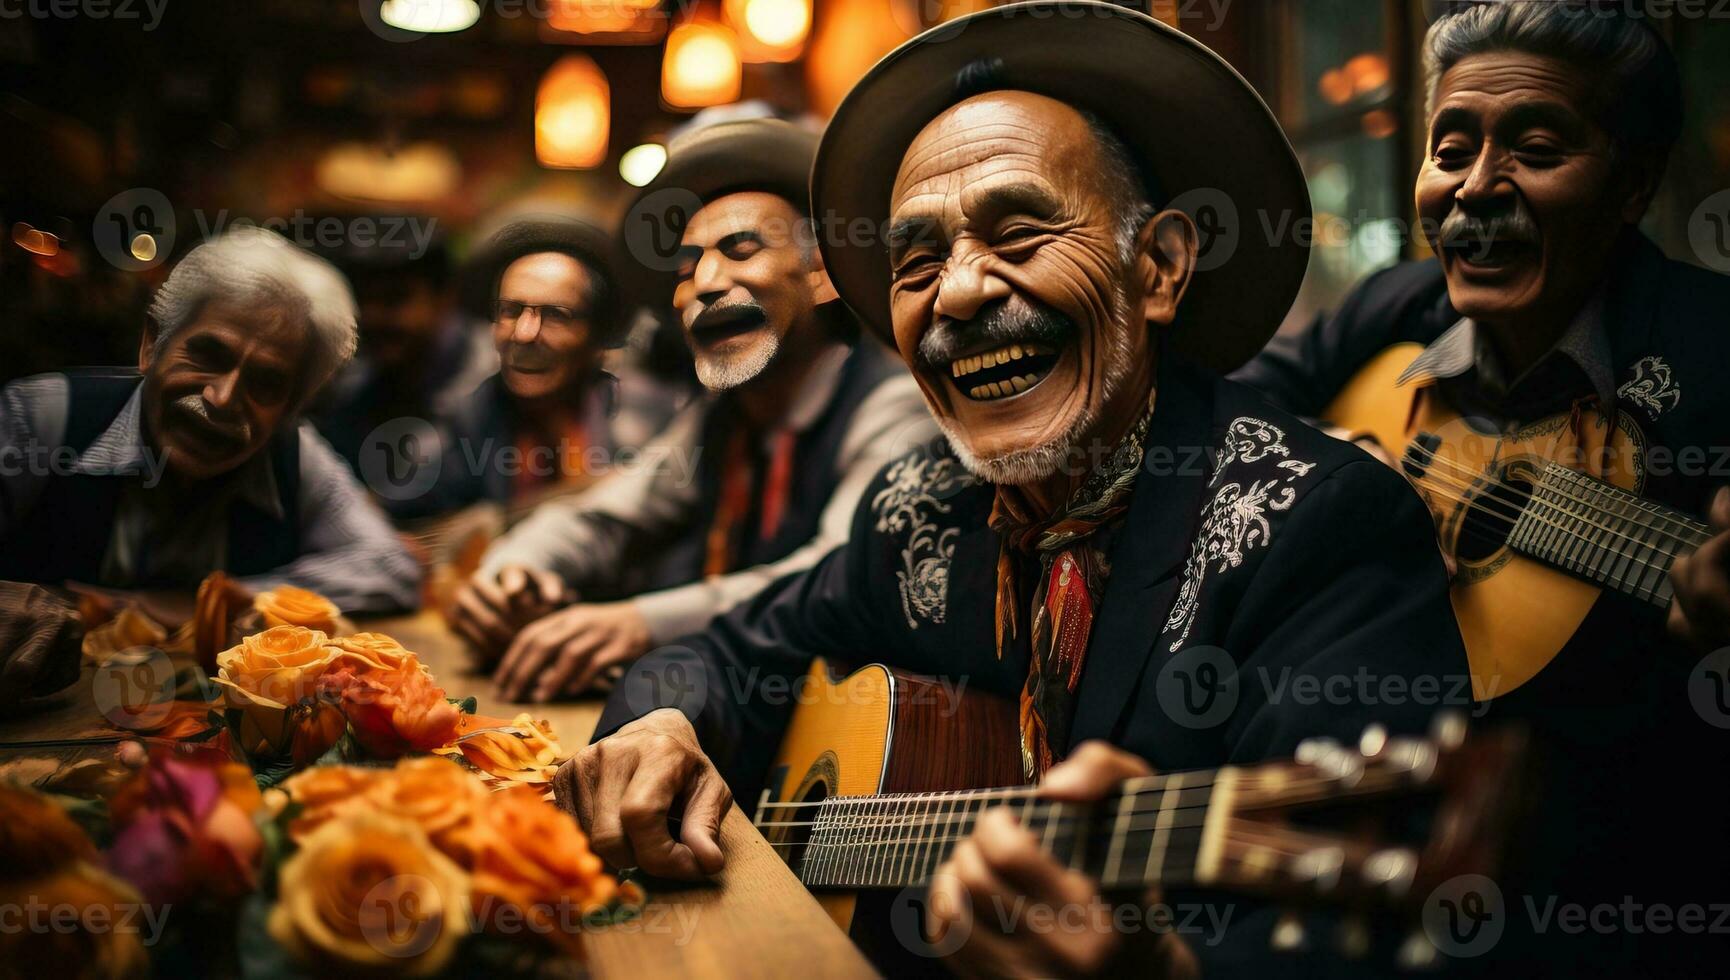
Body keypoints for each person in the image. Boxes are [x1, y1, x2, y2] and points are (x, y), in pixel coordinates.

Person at [558, 5, 1469, 975]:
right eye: (916, 262)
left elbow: (1358, 943)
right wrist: (663, 721)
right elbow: (728, 650)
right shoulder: (918, 511)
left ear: (1156, 267)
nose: (955, 293)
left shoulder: (1316, 523)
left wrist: (1156, 967)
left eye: (1020, 232)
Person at [1231, 3, 1730, 974]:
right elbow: (1239, 403)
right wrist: (1337, 471)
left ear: (1629, 186)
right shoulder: (1393, 306)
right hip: (1366, 856)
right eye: (1449, 149)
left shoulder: (1711, 348)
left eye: (1535, 149)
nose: (1474, 191)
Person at [448, 120, 936, 701]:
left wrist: (640, 623)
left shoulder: (889, 406)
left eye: (740, 250)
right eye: (684, 268)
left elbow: (829, 574)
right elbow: (605, 516)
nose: (703, 283)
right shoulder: (721, 416)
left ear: (822, 276)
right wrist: (512, 570)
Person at [0, 227, 421, 699]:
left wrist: (216, 599)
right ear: (151, 344)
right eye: (207, 355)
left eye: (265, 383)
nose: (221, 399)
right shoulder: (41, 417)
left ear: (291, 409)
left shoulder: (295, 453)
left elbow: (390, 568)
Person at [311, 222, 495, 521]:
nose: (372, 317)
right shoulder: (353, 380)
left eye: (393, 299)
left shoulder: (494, 373)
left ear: (444, 298)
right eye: (362, 299)